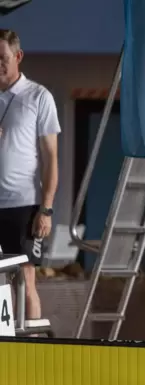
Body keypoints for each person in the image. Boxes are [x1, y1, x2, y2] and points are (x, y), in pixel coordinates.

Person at [0, 29, 60, 323]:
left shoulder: (38, 97)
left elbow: (51, 159)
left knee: (25, 280)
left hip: (25, 204)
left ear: (18, 56)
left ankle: (32, 350)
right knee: (0, 285)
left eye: (3, 58)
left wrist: (45, 209)